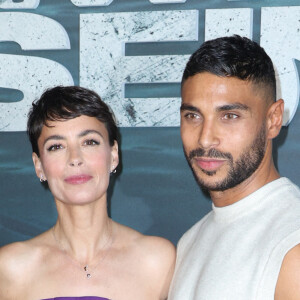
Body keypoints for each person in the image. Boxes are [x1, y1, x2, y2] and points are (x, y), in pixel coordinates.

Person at [0, 86, 175, 300]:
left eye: (89, 142)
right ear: (39, 166)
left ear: (113, 155)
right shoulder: (11, 268)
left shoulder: (157, 261)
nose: (75, 158)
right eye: (57, 146)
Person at [168, 35, 300, 300]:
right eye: (193, 116)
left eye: (229, 116)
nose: (205, 138)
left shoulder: (293, 245)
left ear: (273, 120)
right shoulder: (189, 242)